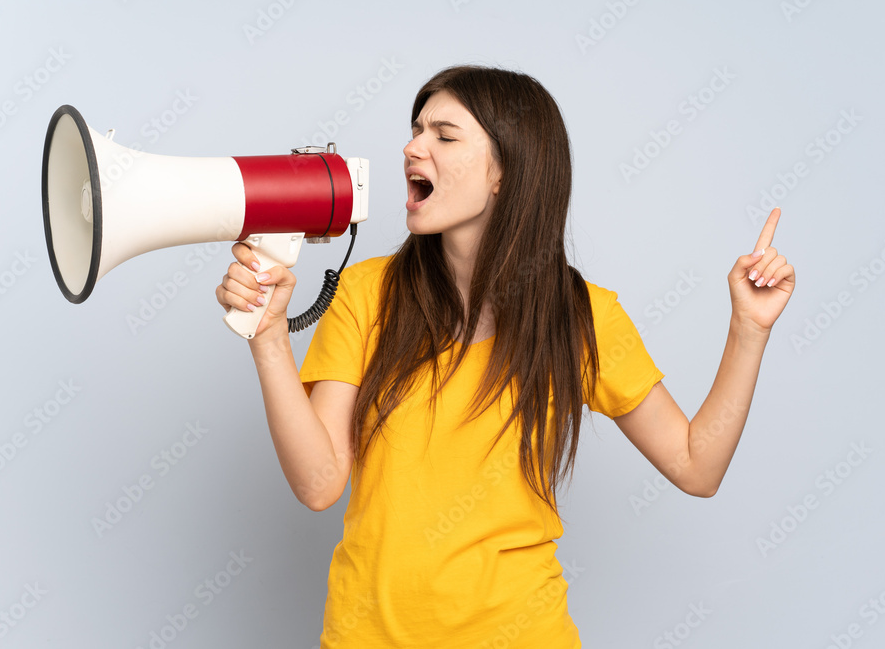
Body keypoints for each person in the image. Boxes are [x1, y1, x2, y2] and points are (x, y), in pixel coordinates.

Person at [215, 64, 795, 647]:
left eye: (444, 136)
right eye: (416, 130)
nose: (412, 148)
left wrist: (748, 328)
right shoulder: (367, 294)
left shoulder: (580, 316)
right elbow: (319, 485)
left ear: (505, 172)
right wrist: (269, 338)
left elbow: (697, 467)